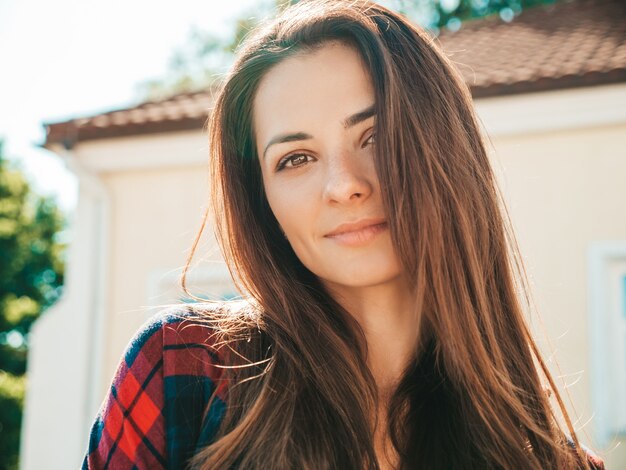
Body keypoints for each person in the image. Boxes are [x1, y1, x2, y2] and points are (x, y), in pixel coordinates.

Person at [82, 1, 607, 469]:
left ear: (447, 150)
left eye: (376, 136)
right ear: (262, 201)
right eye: (296, 159)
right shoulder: (187, 367)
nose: (344, 185)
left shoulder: (551, 461)